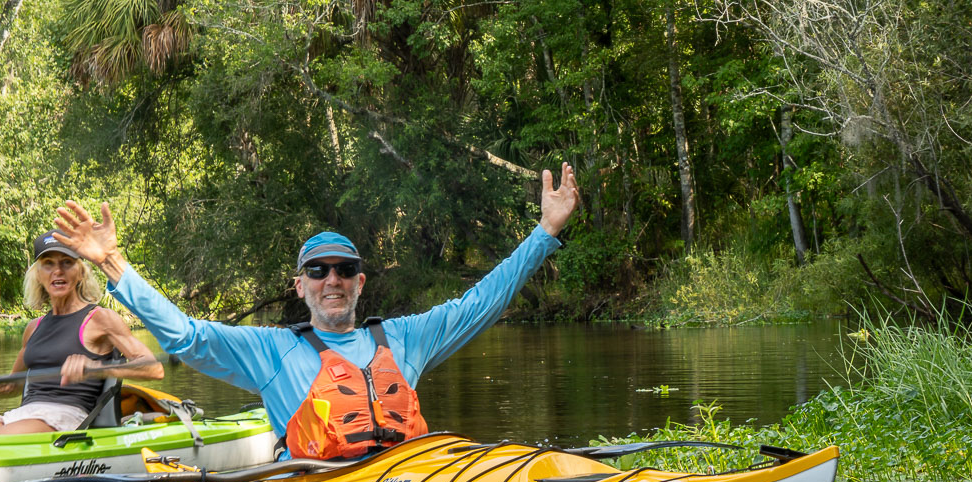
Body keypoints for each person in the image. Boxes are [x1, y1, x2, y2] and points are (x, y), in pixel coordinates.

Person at [53, 163, 579, 459]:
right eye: (319, 272)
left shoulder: (406, 338)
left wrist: (546, 232)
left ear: (360, 282)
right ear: (299, 287)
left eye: (344, 270)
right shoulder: (271, 351)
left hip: (411, 481)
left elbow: (483, 301)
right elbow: (185, 337)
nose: (333, 280)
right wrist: (114, 264)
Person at [0, 230, 164, 435]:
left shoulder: (100, 319)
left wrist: (96, 367)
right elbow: (9, 387)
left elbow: (154, 369)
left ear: (81, 271)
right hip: (20, 415)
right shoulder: (33, 328)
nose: (58, 271)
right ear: (38, 274)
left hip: (66, 417)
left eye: (67, 262)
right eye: (48, 263)